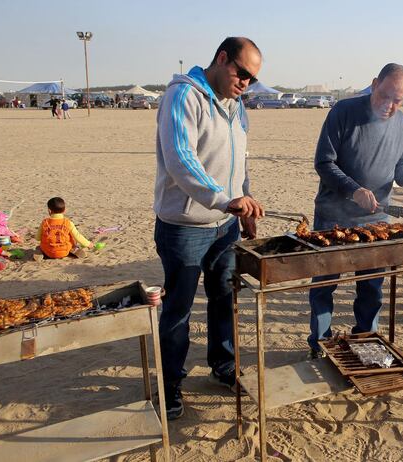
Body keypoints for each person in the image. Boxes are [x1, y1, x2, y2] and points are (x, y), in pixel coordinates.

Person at [154, 36, 264, 420]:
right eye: (242, 73)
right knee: (179, 310)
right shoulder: (183, 96)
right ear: (221, 59)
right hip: (183, 226)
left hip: (225, 226)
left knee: (225, 300)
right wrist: (222, 199)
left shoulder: (238, 107)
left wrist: (243, 204)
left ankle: (223, 364)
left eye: (253, 79)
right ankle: (168, 386)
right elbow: (180, 159)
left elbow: (240, 166)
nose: (246, 83)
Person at [307, 63, 403, 359]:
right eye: (385, 96)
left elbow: (402, 162)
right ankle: (319, 343)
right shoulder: (343, 112)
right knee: (325, 284)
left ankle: (365, 338)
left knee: (371, 286)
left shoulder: (400, 123)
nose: (389, 105)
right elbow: (324, 162)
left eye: (398, 100)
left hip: (377, 219)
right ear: (374, 84)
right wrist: (353, 189)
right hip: (334, 217)